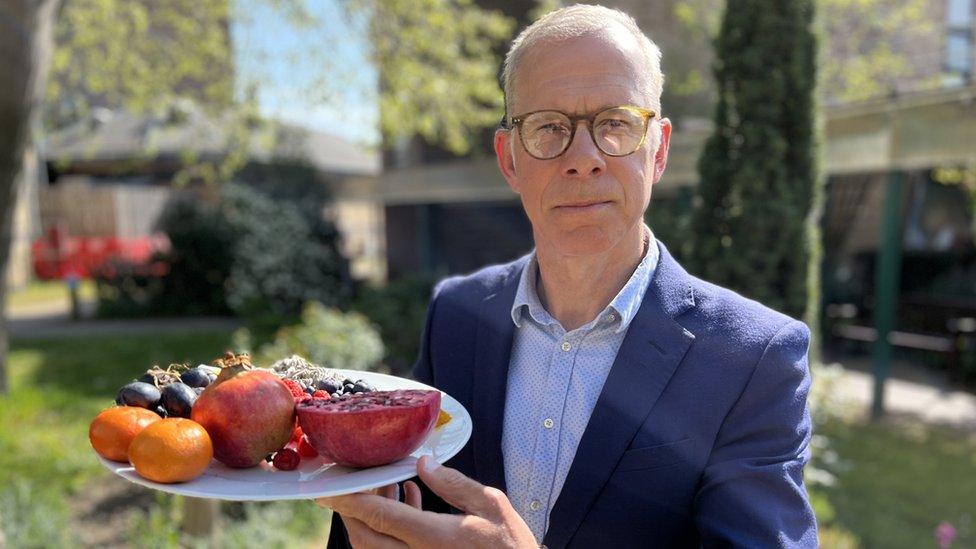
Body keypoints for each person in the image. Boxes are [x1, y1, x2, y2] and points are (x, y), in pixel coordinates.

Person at [318, 4, 818, 548]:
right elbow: (401, 493)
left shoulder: (753, 360)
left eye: (616, 124)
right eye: (549, 127)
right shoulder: (455, 316)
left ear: (659, 151)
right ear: (509, 160)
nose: (583, 159)